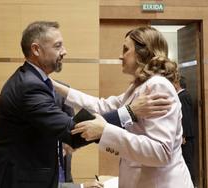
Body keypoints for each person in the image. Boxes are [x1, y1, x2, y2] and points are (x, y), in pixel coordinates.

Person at [0, 21, 168, 188]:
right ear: (36, 49)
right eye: (58, 46)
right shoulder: (29, 86)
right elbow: (72, 133)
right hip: (9, 179)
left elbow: (103, 106)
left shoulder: (35, 80)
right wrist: (130, 112)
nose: (64, 52)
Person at [53, 26, 194, 188]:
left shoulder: (158, 86)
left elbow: (161, 152)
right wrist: (55, 86)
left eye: (126, 49)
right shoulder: (139, 87)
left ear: (143, 53)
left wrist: (105, 131)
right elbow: (101, 106)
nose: (121, 56)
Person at [174, 75, 195, 184]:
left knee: (188, 161)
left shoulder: (183, 96)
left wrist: (183, 135)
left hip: (186, 136)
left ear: (177, 84)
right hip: (185, 135)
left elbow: (185, 117)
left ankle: (191, 183)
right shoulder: (182, 96)